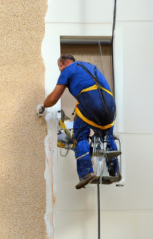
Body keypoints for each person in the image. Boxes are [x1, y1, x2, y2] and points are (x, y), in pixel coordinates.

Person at [37, 54, 121, 189]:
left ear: (64, 63)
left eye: (60, 66)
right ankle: (114, 170)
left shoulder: (68, 70)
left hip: (92, 103)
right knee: (107, 134)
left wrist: (43, 106)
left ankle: (86, 173)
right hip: (110, 105)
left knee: (80, 134)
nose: (60, 70)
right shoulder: (91, 67)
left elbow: (54, 97)